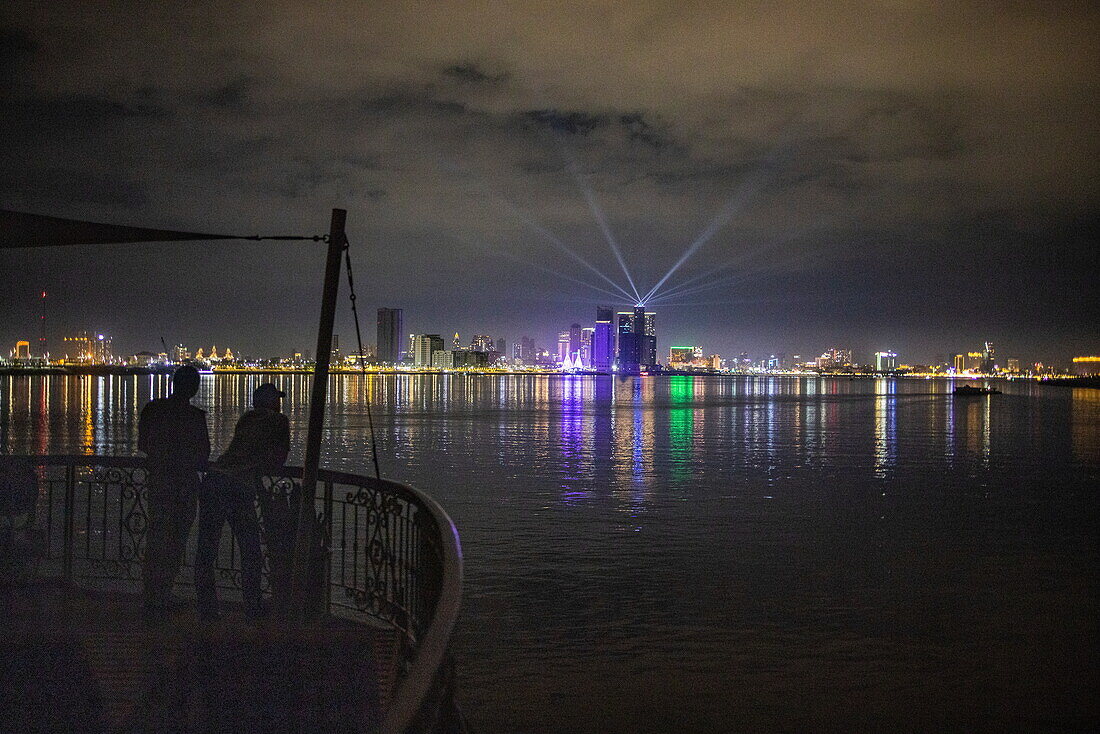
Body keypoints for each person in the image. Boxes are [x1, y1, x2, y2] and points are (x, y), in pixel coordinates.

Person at [195, 382, 289, 620]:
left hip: (214, 480)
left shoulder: (246, 419)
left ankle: (207, 608)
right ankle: (252, 608)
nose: (280, 403)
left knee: (207, 550)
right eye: (277, 399)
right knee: (251, 551)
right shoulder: (279, 422)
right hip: (237, 487)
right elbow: (278, 460)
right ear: (272, 402)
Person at [137, 365, 209, 620]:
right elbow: (204, 455)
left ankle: (151, 593)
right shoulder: (194, 417)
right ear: (193, 388)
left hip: (159, 482)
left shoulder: (153, 410)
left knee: (157, 537)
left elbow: (143, 444)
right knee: (176, 539)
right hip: (184, 485)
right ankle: (164, 591)